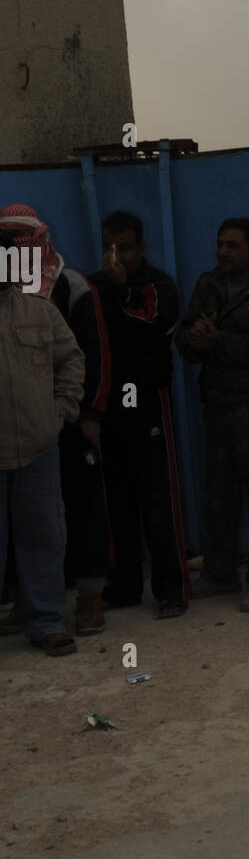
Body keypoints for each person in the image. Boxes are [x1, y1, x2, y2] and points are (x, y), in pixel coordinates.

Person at [0, 203, 112, 638]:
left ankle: (55, 616)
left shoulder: (58, 294)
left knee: (55, 527)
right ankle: (26, 606)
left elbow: (81, 357)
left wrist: (72, 412)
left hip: (47, 439)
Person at [89, 211, 190, 619]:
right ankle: (125, 586)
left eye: (125, 248)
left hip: (148, 400)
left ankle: (171, 590)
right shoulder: (94, 285)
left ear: (141, 247)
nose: (117, 256)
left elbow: (147, 326)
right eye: (109, 247)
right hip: (109, 406)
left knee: (159, 499)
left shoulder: (158, 285)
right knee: (117, 502)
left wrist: (116, 293)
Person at [175, 218, 249, 613]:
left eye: (232, 246)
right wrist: (193, 340)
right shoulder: (208, 284)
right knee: (219, 494)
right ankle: (219, 571)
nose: (223, 252)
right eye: (220, 244)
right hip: (216, 405)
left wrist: (220, 341)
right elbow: (183, 335)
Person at [0, 228, 85, 655]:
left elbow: (71, 360)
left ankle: (46, 621)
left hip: (37, 448)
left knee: (44, 535)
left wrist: (60, 413)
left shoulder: (40, 311)